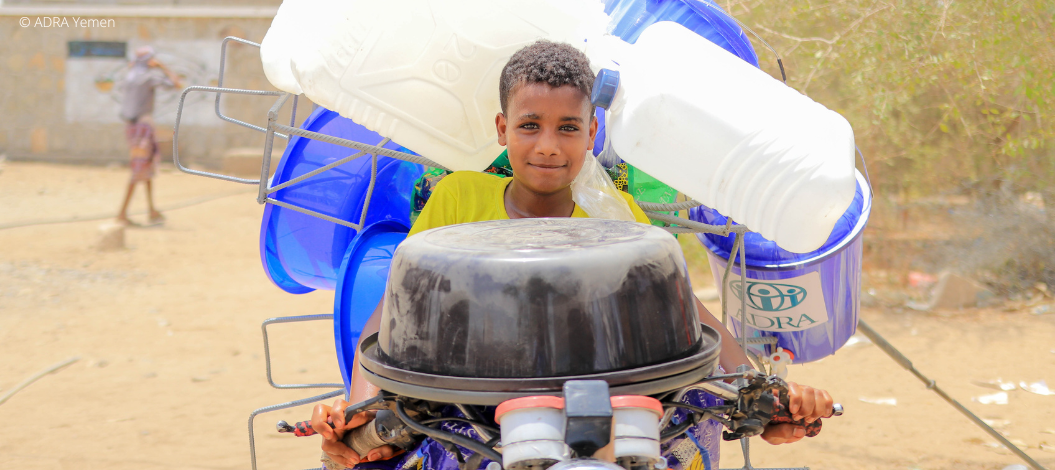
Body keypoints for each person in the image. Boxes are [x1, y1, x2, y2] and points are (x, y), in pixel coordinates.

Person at [311, 40, 834, 470]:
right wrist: (361, 409)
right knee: (359, 456)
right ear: (501, 129)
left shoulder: (616, 215)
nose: (547, 146)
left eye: (567, 128)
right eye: (529, 125)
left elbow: (686, 314)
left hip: (602, 398)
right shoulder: (459, 199)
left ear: (592, 133)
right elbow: (392, 314)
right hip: (473, 402)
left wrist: (765, 399)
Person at [116, 46, 182, 226]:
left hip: (131, 127)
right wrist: (162, 67)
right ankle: (122, 213)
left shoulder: (130, 76)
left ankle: (152, 210)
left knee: (146, 168)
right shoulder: (149, 77)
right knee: (139, 169)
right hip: (142, 127)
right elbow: (176, 84)